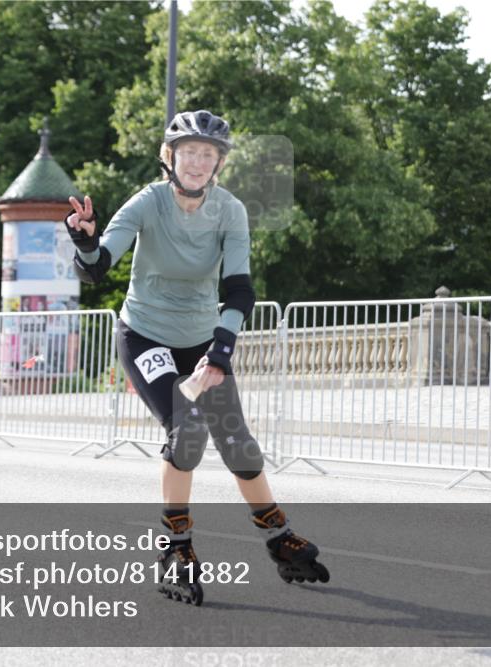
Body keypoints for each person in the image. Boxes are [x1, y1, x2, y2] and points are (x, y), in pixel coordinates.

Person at [64, 110, 328, 605]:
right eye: (189, 152)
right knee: (186, 432)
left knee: (239, 443)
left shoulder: (230, 210)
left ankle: (278, 536)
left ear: (219, 164)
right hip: (146, 337)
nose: (198, 162)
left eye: (208, 154)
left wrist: (220, 350)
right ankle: (175, 547)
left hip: (203, 342)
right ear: (170, 156)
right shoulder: (148, 202)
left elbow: (240, 289)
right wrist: (84, 241)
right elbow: (97, 268)